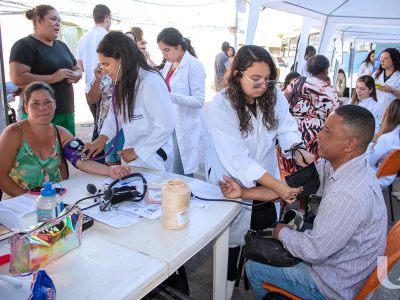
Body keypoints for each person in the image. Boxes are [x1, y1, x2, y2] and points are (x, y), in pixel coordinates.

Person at [227, 105, 387, 300]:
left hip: (334, 287)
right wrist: (243, 192)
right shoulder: (344, 166)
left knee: (254, 267)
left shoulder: (347, 194)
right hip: (346, 269)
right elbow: (287, 188)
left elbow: (314, 251)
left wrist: (282, 232)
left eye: (327, 131)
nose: (318, 135)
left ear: (349, 144)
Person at [206, 45, 313, 298]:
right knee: (230, 244)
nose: (263, 85)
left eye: (268, 79)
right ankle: (225, 289)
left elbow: (285, 126)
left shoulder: (272, 94)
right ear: (236, 75)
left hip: (265, 176)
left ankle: (254, 277)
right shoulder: (221, 106)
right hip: (231, 178)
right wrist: (277, 187)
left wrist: (296, 148)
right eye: (255, 79)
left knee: (262, 235)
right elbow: (238, 160)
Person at [0, 81, 131, 198]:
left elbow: (81, 161)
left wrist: (110, 170)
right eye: (35, 103)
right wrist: (27, 200)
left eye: (47, 102)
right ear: (25, 107)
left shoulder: (60, 133)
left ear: (55, 104)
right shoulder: (14, 133)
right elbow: (1, 176)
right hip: (19, 204)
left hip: (54, 201)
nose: (42, 108)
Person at [83, 32, 175, 172]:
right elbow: (116, 114)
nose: (105, 71)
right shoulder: (124, 81)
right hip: (132, 157)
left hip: (153, 157)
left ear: (123, 59)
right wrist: (102, 139)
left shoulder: (150, 82)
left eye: (107, 64)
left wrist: (137, 151)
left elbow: (165, 125)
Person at [9, 4, 82, 135]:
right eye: (53, 19)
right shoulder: (25, 45)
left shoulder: (61, 46)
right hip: (40, 114)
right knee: (42, 153)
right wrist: (53, 78)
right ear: (38, 21)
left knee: (66, 152)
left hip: (66, 111)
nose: (57, 23)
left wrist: (76, 75)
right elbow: (17, 78)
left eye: (59, 20)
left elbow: (77, 67)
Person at [157, 28, 206, 176]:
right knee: (172, 168)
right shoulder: (168, 65)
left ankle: (184, 198)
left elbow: (199, 100)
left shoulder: (194, 65)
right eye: (161, 51)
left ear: (178, 47)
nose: (164, 55)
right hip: (170, 124)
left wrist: (170, 96)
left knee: (181, 172)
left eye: (167, 50)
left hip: (185, 126)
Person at [282, 55, 340, 173]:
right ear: (326, 69)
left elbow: (282, 102)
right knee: (310, 165)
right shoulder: (331, 91)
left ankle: (289, 187)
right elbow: (333, 116)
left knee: (291, 165)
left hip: (293, 128)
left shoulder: (297, 81)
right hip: (316, 132)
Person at [76, 4, 111, 132]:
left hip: (89, 89)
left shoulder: (83, 38)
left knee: (98, 126)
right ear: (107, 18)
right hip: (107, 89)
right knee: (106, 129)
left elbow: (79, 66)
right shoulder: (108, 37)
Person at [87, 64, 124, 165]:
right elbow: (92, 99)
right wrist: (98, 79)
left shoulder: (132, 75)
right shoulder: (104, 74)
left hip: (126, 128)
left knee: (124, 163)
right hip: (107, 129)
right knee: (110, 164)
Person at [366, 99, 400, 187]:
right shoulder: (395, 135)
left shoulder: (387, 138)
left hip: (377, 178)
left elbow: (368, 162)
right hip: (389, 176)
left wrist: (371, 145)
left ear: (390, 113)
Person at [373, 48, 400, 113]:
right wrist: (375, 86)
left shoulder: (398, 76)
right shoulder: (375, 74)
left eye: (386, 58)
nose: (382, 60)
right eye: (381, 58)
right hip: (375, 111)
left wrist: (391, 90)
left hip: (392, 114)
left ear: (394, 60)